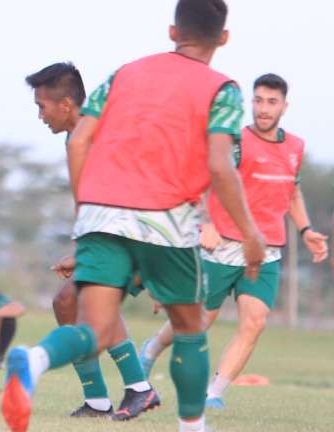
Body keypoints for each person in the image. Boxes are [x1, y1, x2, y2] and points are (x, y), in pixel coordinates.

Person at [0, 0, 265, 432]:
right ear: (223, 38)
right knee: (188, 328)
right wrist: (249, 233)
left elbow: (80, 140)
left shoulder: (124, 74)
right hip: (166, 219)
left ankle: (35, 359)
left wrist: (88, 215)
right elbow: (223, 168)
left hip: (102, 214)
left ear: (172, 32)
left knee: (92, 327)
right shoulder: (221, 89)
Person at [140, 74, 328, 407]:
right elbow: (207, 180)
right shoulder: (237, 142)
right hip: (222, 246)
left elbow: (293, 193)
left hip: (266, 252)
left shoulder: (295, 147)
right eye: (258, 100)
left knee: (254, 322)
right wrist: (207, 223)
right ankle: (152, 348)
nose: (264, 108)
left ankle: (214, 394)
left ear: (285, 106)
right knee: (198, 321)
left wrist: (306, 230)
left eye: (271, 102)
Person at [26, 62, 158, 420]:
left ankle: (139, 389)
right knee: (68, 305)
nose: (40, 115)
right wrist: (81, 252)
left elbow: (137, 187)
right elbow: (91, 204)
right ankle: (103, 400)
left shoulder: (102, 135)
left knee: (74, 300)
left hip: (140, 237)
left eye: (42, 106)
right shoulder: (76, 138)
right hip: (109, 240)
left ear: (66, 104)